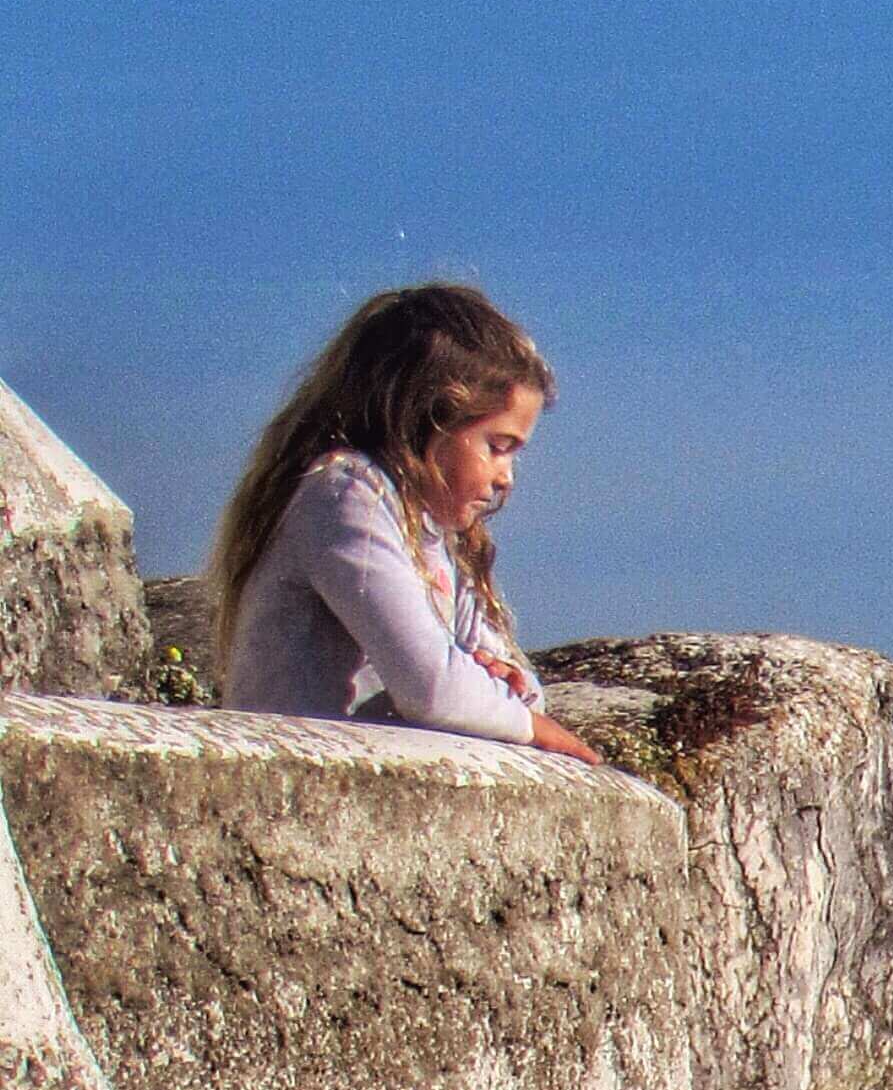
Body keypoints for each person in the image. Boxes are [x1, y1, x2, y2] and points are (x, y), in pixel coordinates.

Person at [211, 284, 602, 761]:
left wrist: (505, 681)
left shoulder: (439, 536)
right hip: (295, 784)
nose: (506, 479)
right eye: (496, 448)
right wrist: (517, 718)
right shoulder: (346, 496)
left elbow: (523, 693)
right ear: (425, 420)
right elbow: (431, 686)